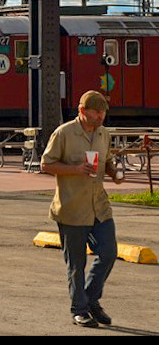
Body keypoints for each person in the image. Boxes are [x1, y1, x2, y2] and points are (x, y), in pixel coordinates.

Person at [40, 90, 123, 328]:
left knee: (108, 253)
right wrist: (75, 169)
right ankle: (80, 309)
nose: (101, 116)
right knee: (76, 264)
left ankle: (90, 299)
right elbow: (46, 163)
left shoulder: (103, 133)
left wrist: (115, 172)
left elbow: (107, 160)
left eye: (103, 112)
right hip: (72, 208)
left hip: (99, 206)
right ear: (82, 111)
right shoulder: (64, 133)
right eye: (96, 112)